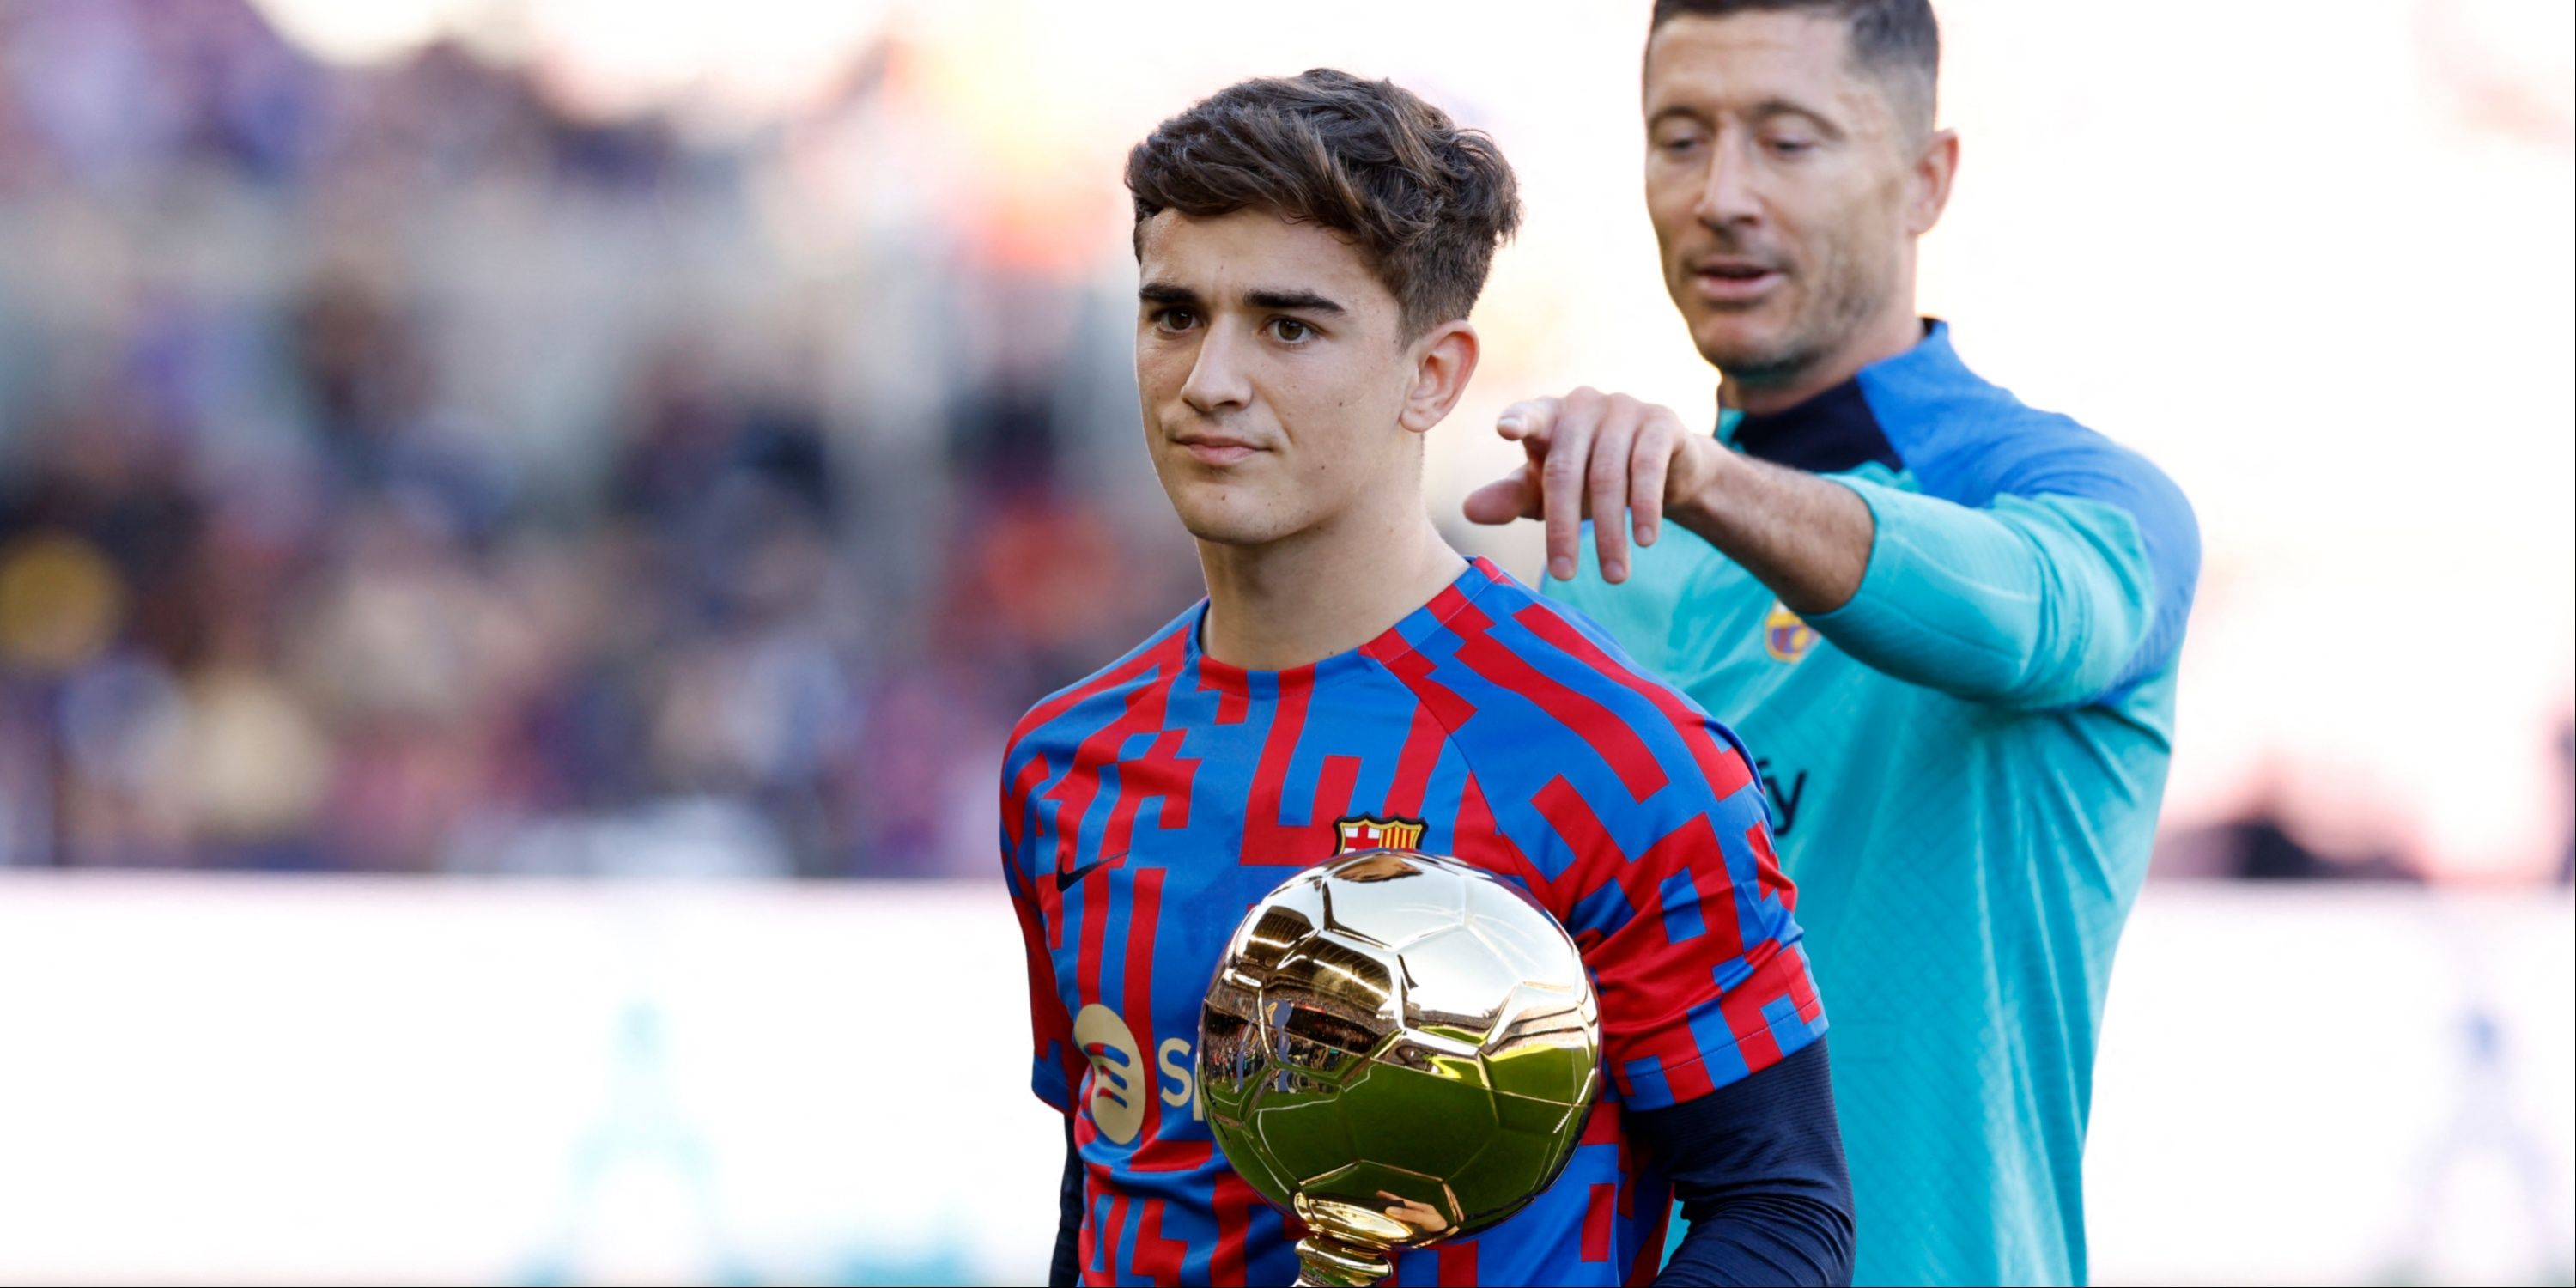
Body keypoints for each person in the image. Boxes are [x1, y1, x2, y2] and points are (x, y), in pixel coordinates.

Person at [1001, 70, 1853, 1287]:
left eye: (1289, 325)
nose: (1210, 382)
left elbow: (1781, 1218)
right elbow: (1116, 1176)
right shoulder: (1063, 764)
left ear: (1435, 374)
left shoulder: (1615, 765)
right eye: (1176, 313)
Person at [1461, 3, 2200, 1284]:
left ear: (1927, 180)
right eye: (1678, 138)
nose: (1719, 195)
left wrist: (1706, 486)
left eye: (1788, 141)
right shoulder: (1594, 562)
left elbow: (2030, 622)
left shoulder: (2086, 503)